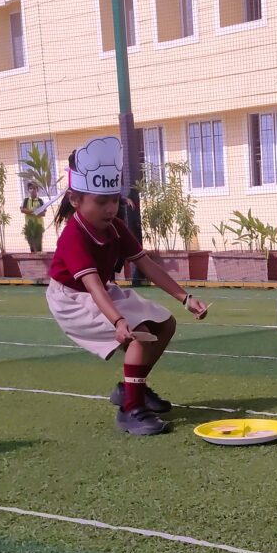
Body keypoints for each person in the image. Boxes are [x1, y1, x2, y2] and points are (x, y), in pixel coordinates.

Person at [45, 136, 208, 436]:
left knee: (165, 324)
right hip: (72, 299)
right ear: (75, 199)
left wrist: (185, 299)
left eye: (114, 200)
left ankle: (133, 389)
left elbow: (147, 265)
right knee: (138, 335)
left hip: (100, 291)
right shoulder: (73, 236)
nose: (111, 208)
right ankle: (131, 410)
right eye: (101, 201)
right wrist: (119, 321)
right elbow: (92, 286)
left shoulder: (116, 227)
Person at [20, 182, 44, 252]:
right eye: (31, 188)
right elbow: (22, 210)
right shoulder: (26, 200)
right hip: (29, 226)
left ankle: (39, 258)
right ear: (28, 190)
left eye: (34, 188)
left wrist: (29, 211)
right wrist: (35, 211)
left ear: (37, 190)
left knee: (39, 245)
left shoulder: (40, 201)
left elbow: (43, 213)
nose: (33, 190)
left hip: (39, 225)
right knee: (32, 246)